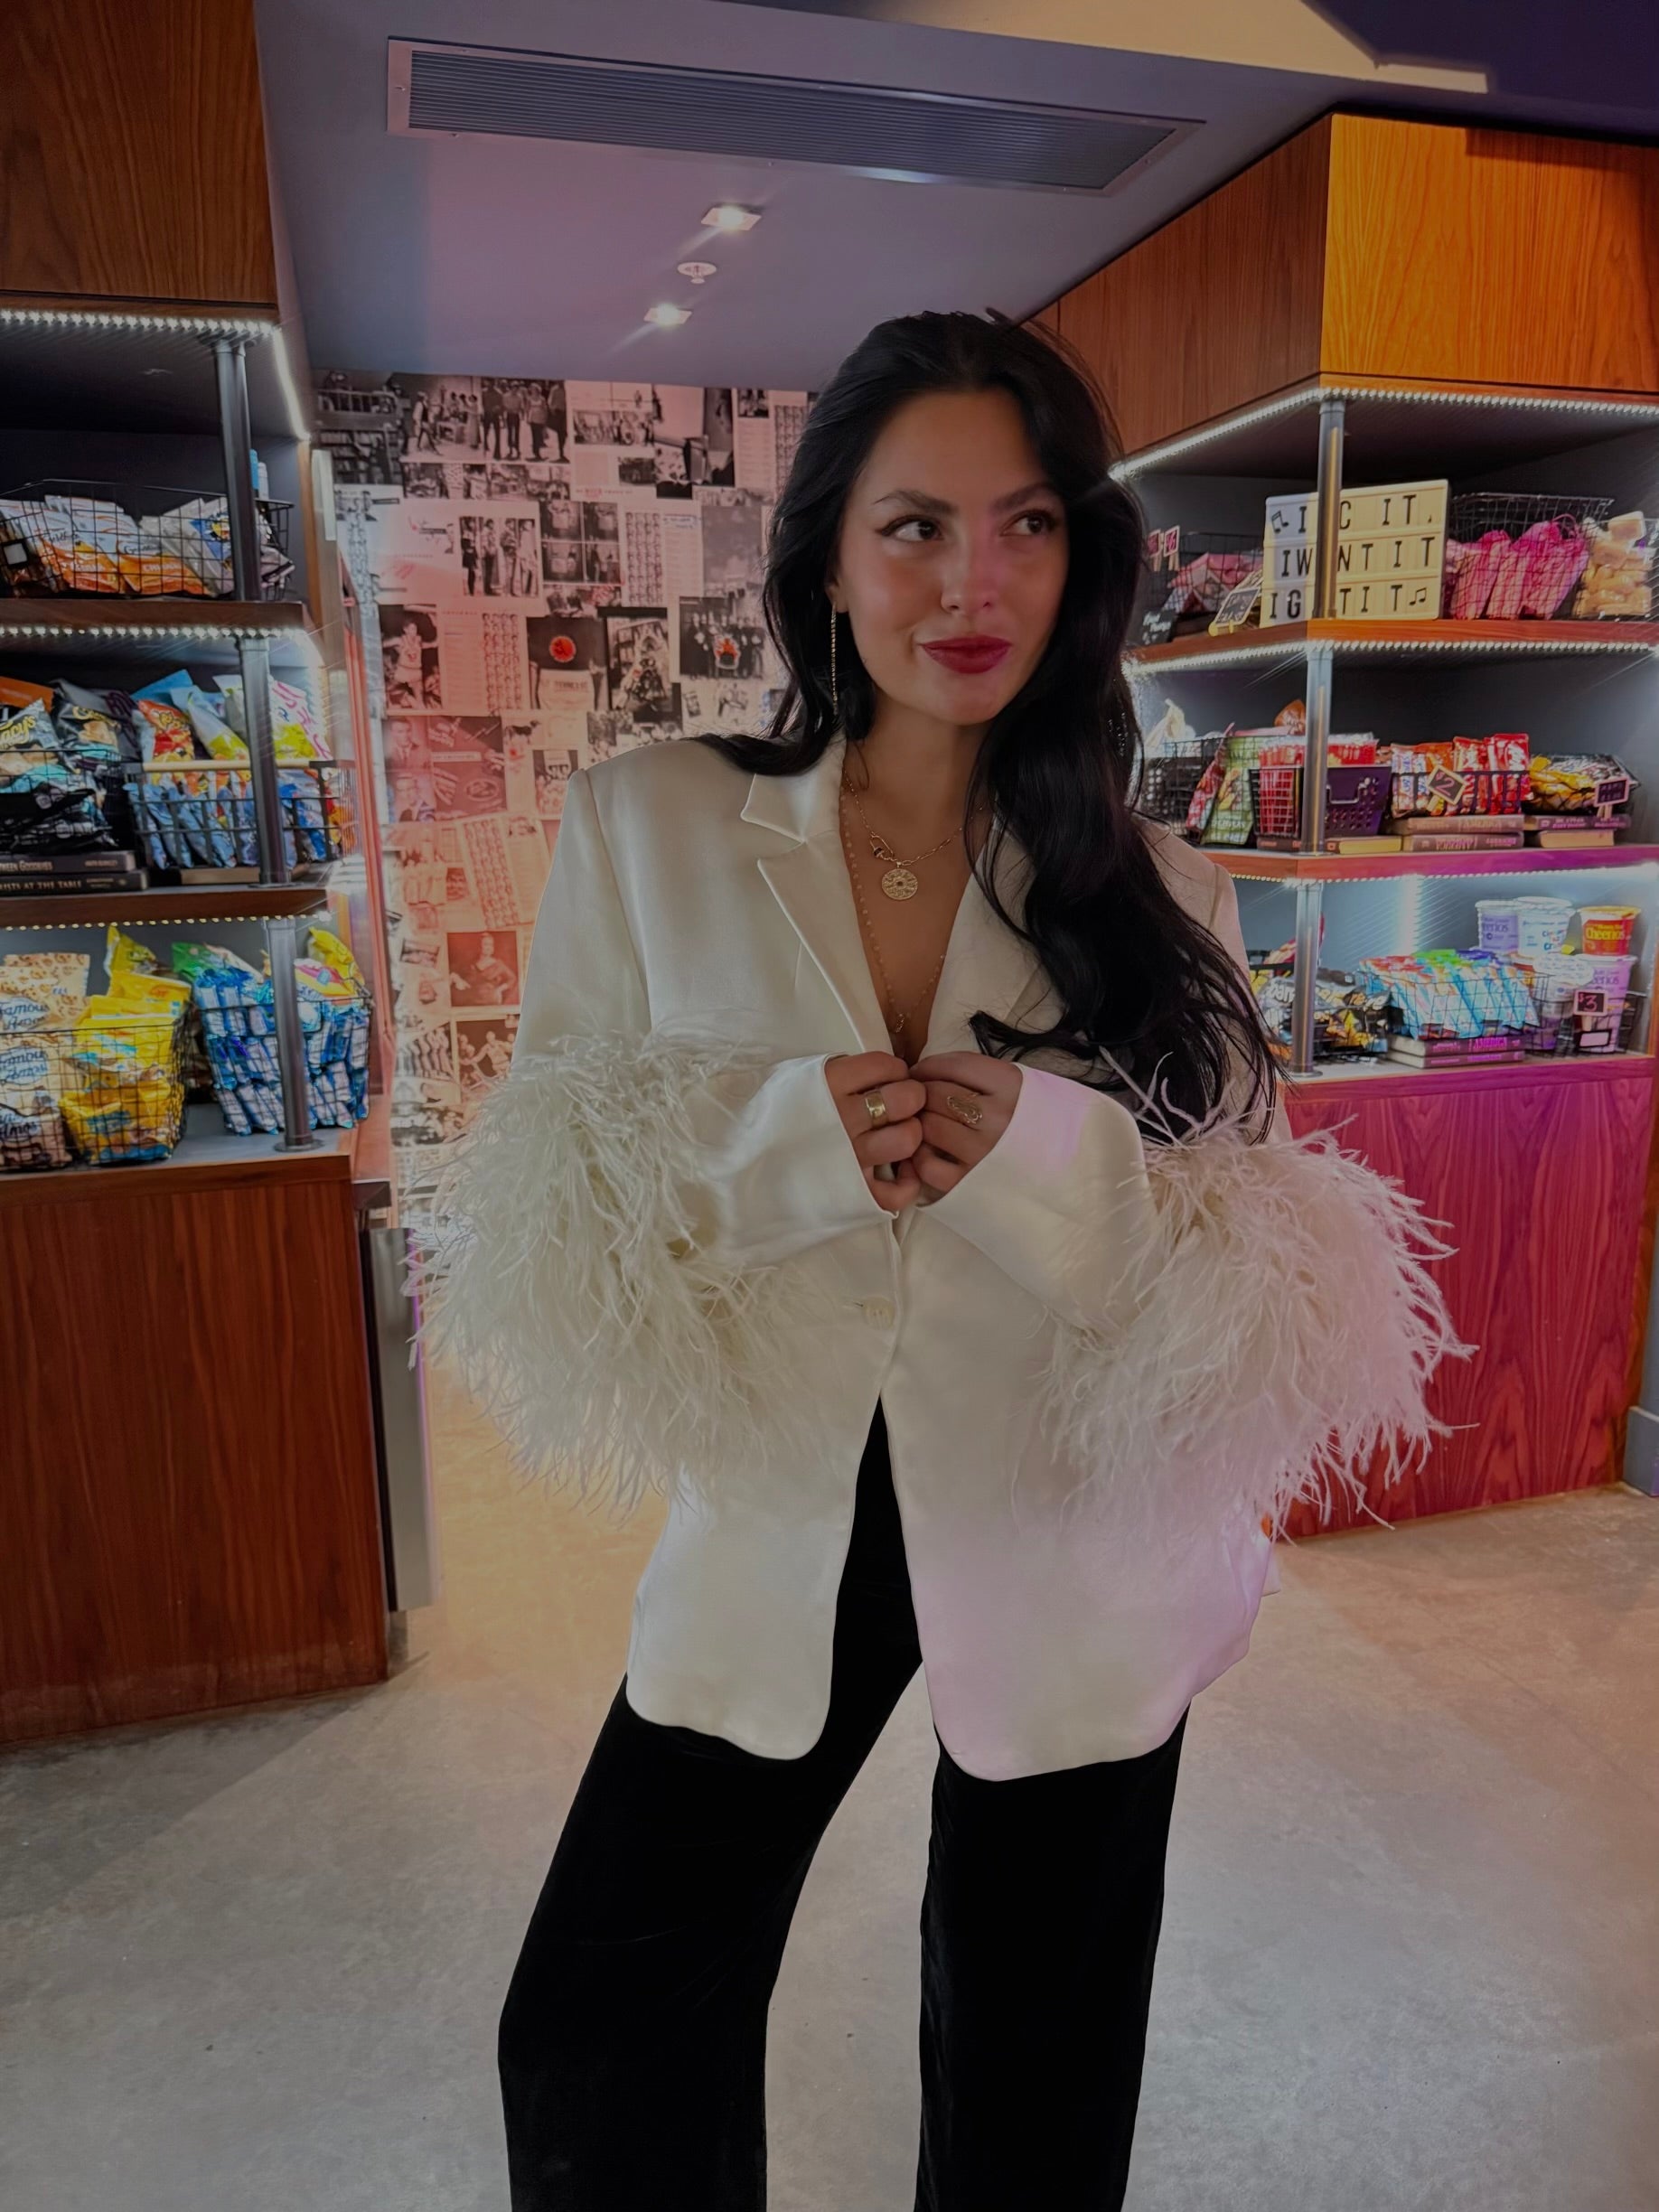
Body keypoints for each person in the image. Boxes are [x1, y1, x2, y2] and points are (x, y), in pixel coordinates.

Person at [423, 312, 1458, 2211]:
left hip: (1072, 1526)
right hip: (783, 1512)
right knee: (599, 2017)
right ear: (826, 556)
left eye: (1030, 524)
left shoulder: (1159, 891)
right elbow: (555, 1211)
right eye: (915, 527)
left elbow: (1250, 1288)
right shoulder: (654, 826)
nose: (974, 584)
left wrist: (1049, 1159)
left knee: (1037, 2068)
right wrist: (781, 1154)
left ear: (1084, 561)